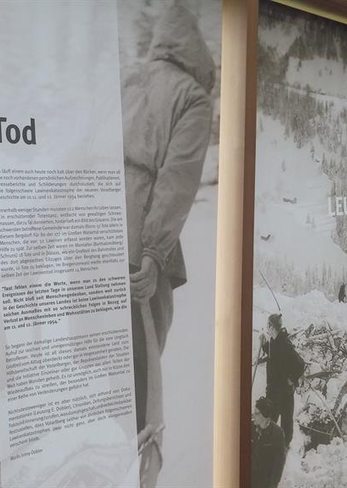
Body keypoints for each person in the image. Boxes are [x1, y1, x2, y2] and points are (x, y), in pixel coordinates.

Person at [122, 2, 214, 432]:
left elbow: (79, 157)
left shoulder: (128, 80)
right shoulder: (192, 96)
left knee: (96, 377)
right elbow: (176, 180)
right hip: (137, 246)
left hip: (91, 239)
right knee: (141, 383)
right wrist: (154, 253)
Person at [259, 313, 304, 448]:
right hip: (275, 389)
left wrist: (292, 379)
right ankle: (274, 445)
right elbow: (274, 356)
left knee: (283, 420)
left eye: (268, 325)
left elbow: (300, 364)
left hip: (282, 390)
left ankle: (282, 446)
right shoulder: (276, 341)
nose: (267, 327)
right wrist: (264, 345)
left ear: (272, 326)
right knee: (275, 418)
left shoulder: (284, 343)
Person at [252, 397, 286, 488]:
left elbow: (278, 464)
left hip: (265, 481)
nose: (253, 415)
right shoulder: (250, 428)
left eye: (256, 413)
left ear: (265, 415)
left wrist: (273, 485)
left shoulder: (277, 433)